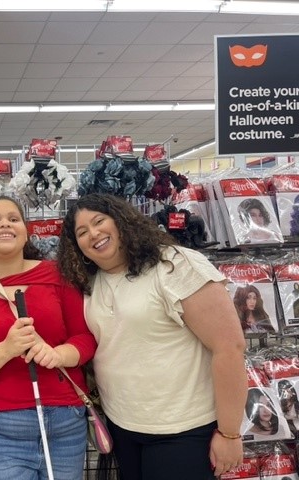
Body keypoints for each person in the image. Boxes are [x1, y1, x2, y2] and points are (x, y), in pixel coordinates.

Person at [56, 193, 247, 480]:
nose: (93, 234)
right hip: (123, 427)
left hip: (182, 430)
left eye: (99, 221)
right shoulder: (92, 282)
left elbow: (229, 347)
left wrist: (230, 433)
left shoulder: (175, 265)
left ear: (121, 222)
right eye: (82, 232)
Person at [0, 196, 97, 480]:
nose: (4, 223)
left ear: (25, 230)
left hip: (65, 422)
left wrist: (58, 355)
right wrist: (6, 349)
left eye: (13, 218)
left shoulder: (56, 275)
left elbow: (84, 338)